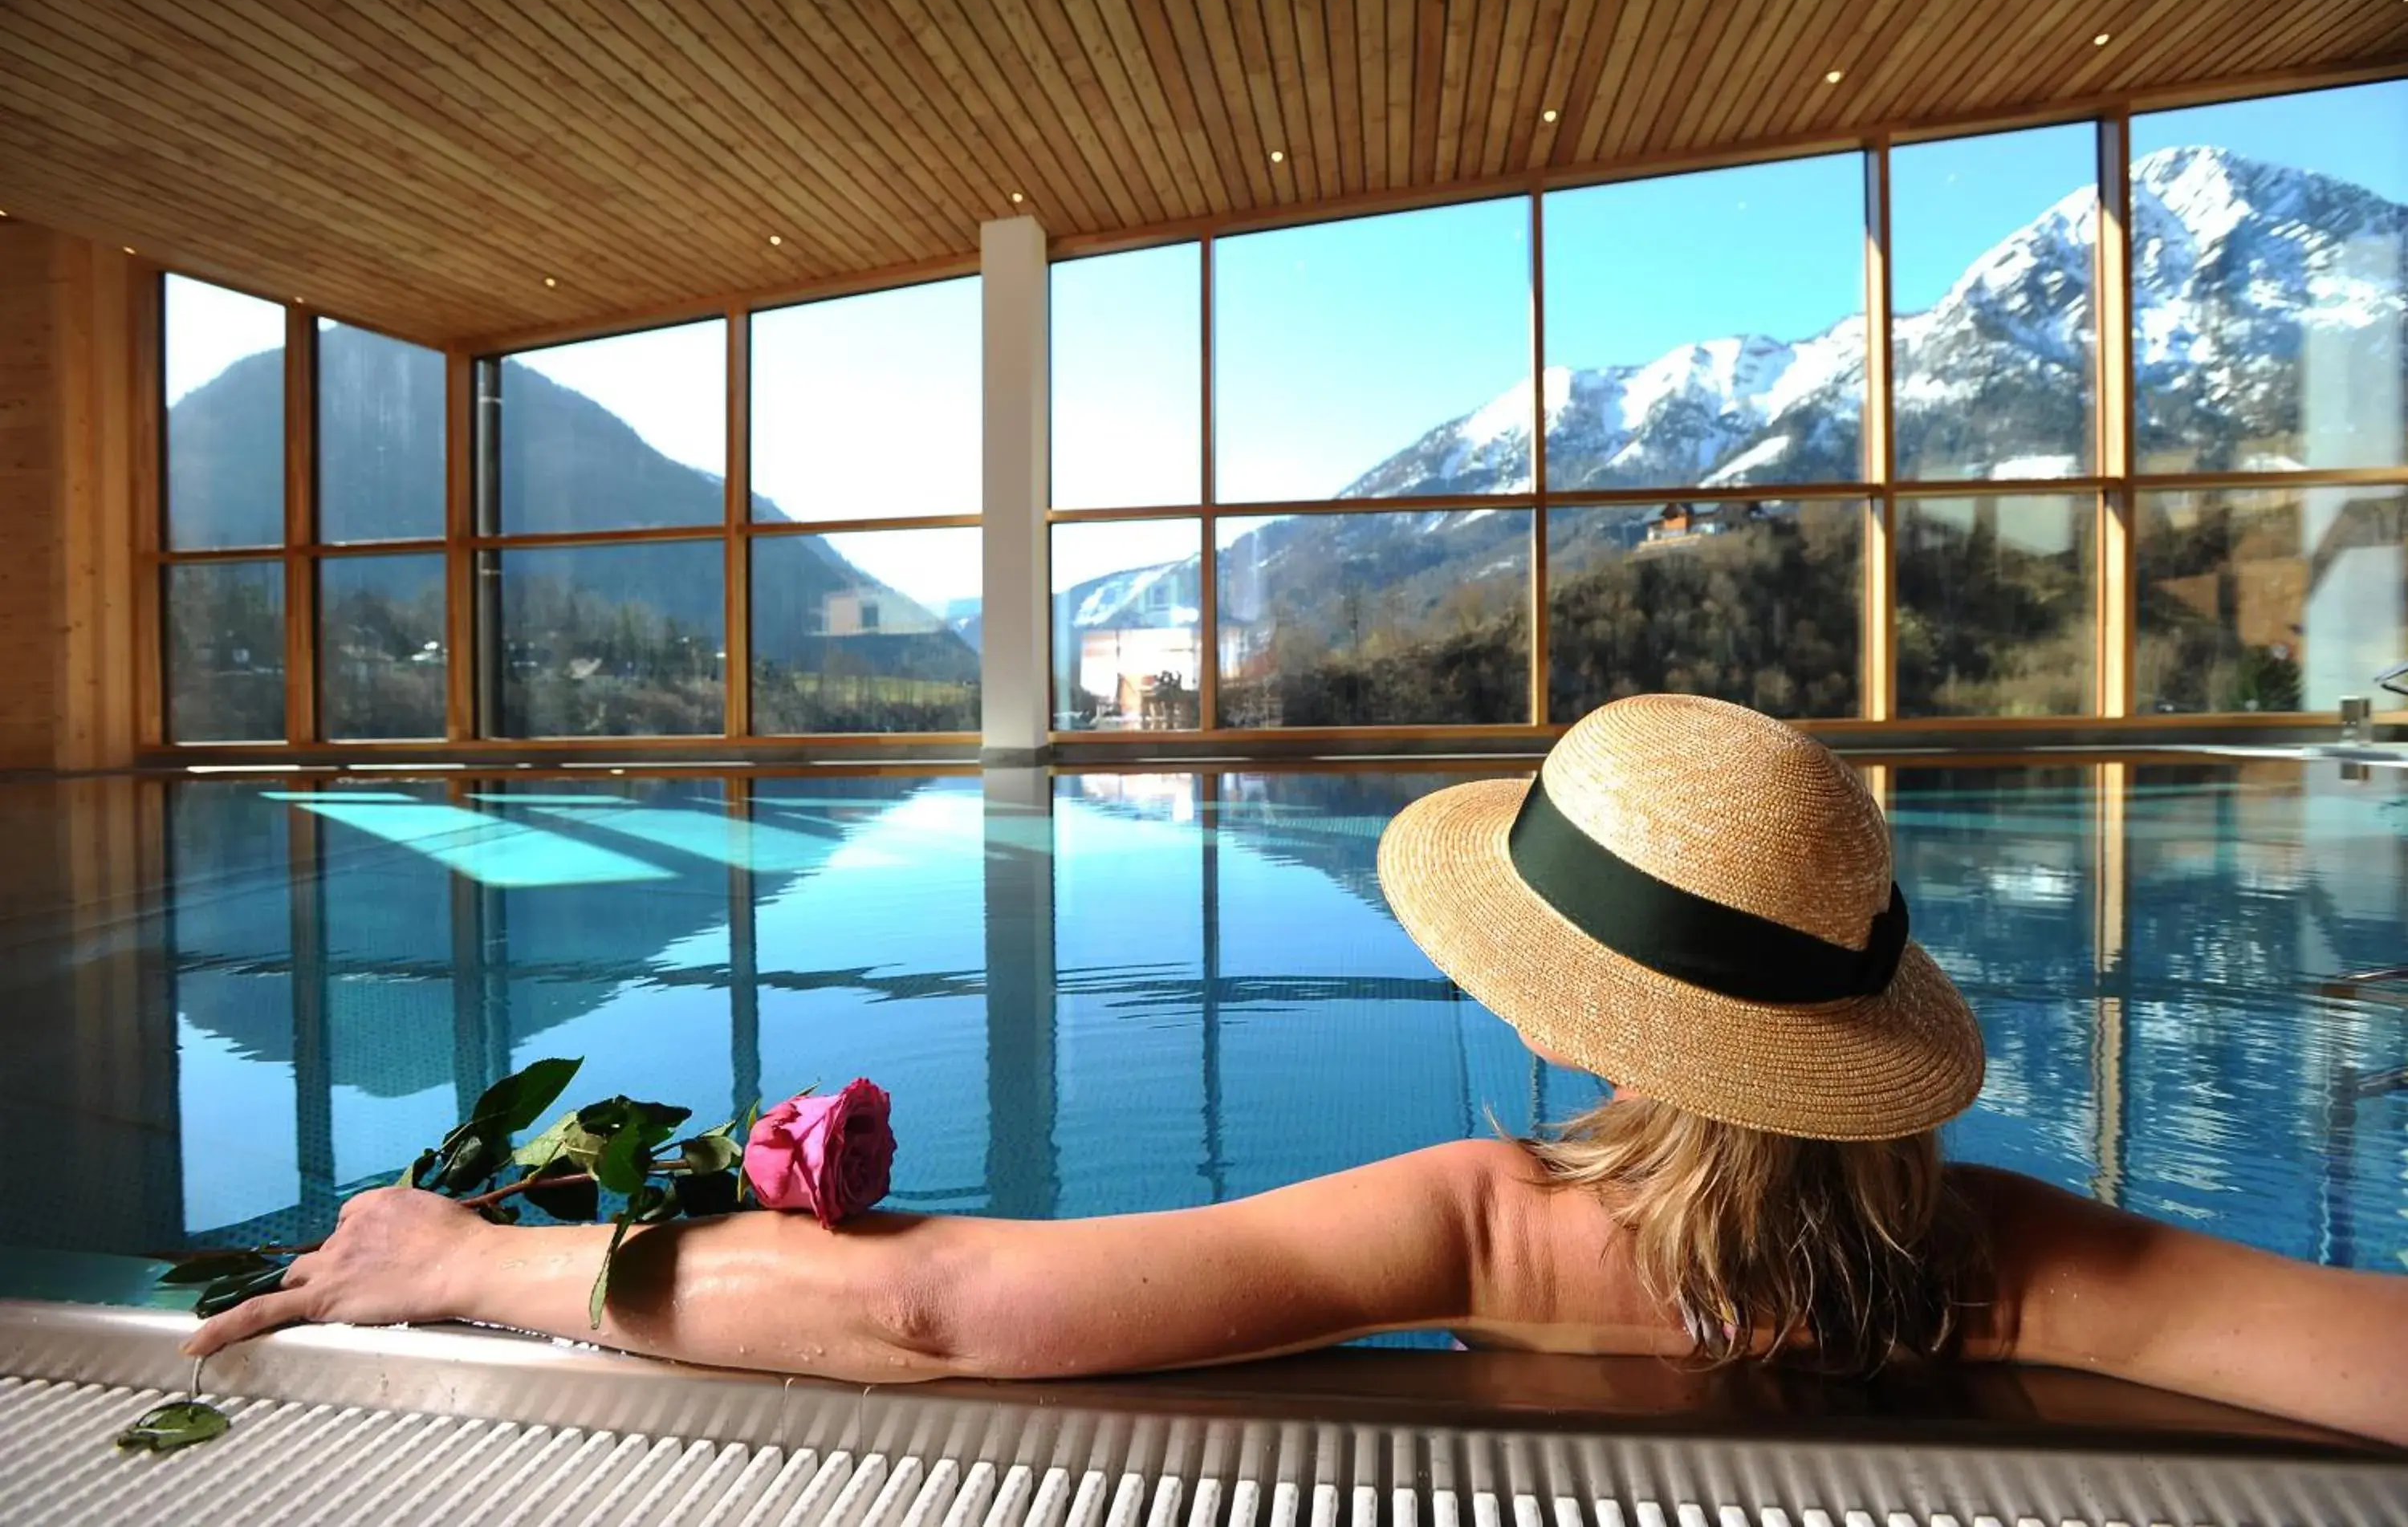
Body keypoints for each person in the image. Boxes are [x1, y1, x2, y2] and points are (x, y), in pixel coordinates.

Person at [185, 696, 2408, 1444]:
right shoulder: (2017, 1254)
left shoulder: (1490, 1217)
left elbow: (933, 1307)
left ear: (1568, 1006)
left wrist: (476, 1262)